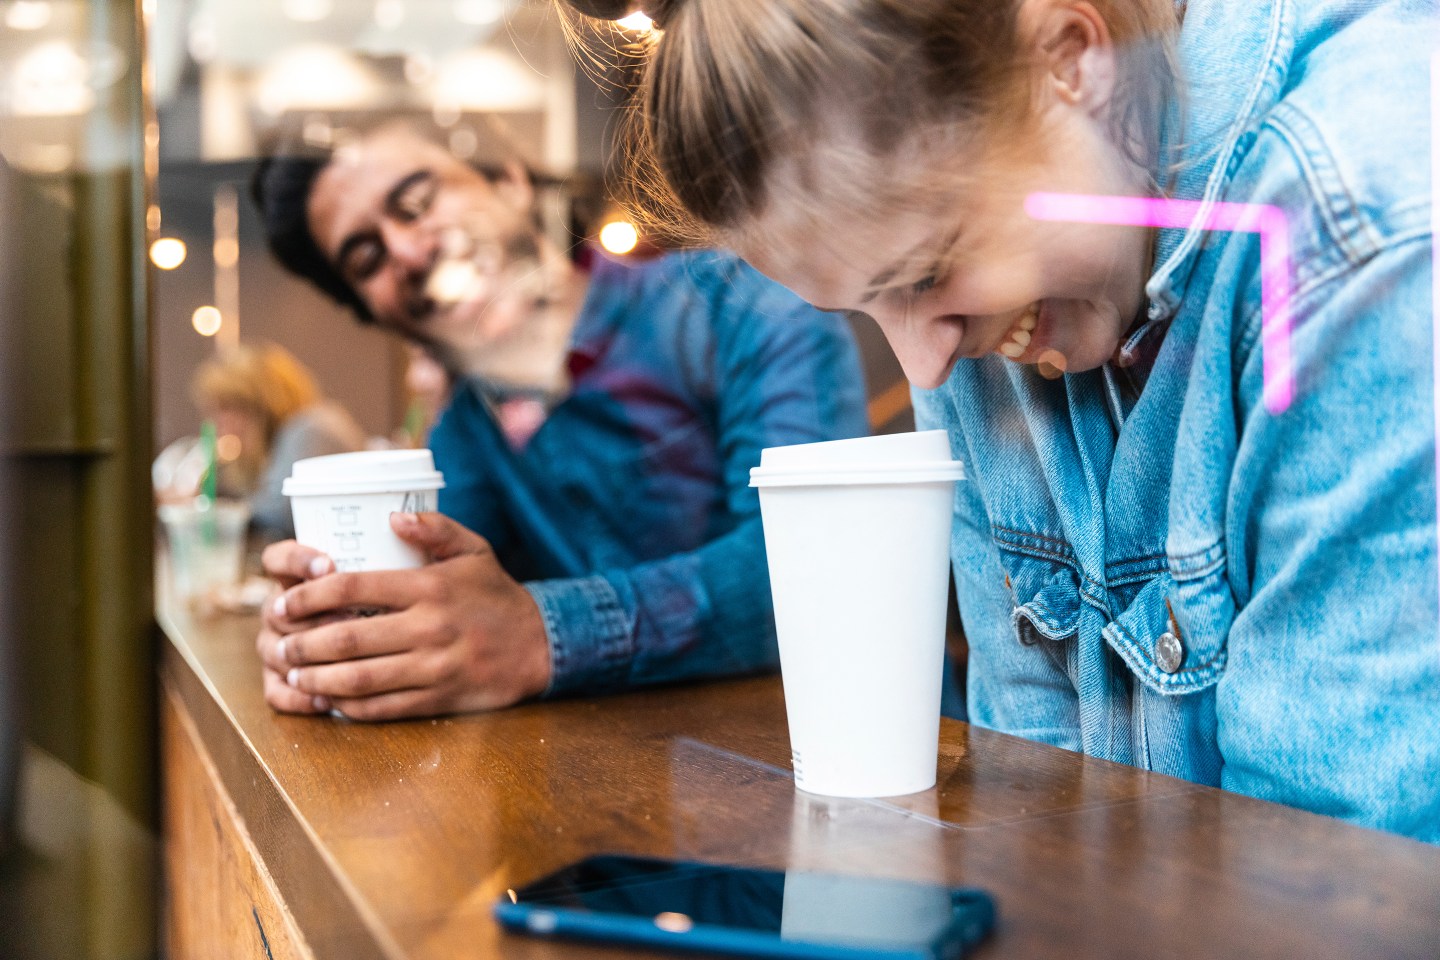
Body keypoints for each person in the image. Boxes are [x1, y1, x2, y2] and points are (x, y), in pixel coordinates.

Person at [559, 0, 1440, 840]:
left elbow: (1335, 891)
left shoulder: (1365, 232)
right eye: (870, 309)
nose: (923, 367)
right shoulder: (983, 322)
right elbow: (1035, 812)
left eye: (925, 271)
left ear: (1070, 58)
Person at [249, 120, 869, 720]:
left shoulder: (740, 305)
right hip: (636, 791)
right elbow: (443, 616)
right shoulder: (465, 435)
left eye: (416, 201)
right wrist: (326, 643)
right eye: (366, 259)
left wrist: (540, 636)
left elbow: (818, 567)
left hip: (872, 758)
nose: (409, 252)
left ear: (509, 181)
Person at [170, 342, 366, 540]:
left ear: (262, 404)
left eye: (227, 408)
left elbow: (275, 517)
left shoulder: (311, 428)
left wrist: (204, 510)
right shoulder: (291, 435)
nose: (217, 423)